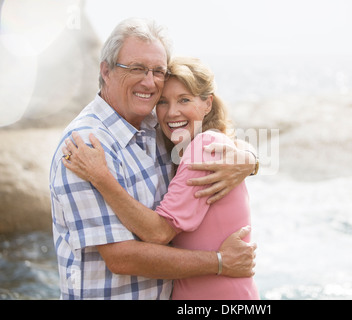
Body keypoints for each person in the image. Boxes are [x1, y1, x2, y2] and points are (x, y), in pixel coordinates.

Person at [49, 18, 257, 300]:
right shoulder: (87, 146)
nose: (149, 82)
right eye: (136, 69)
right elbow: (123, 258)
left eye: (157, 71)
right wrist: (220, 261)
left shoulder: (154, 126)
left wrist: (249, 159)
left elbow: (210, 140)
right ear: (106, 71)